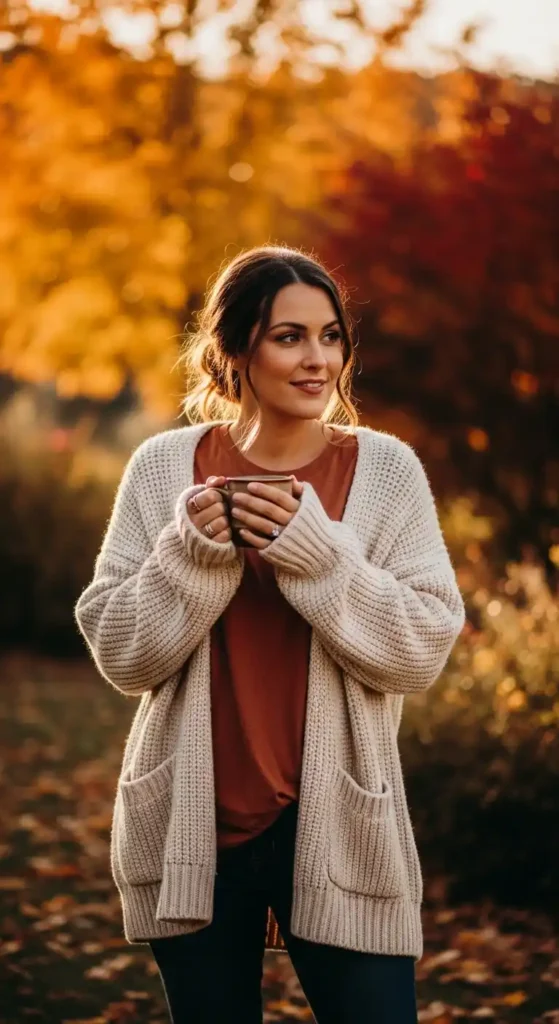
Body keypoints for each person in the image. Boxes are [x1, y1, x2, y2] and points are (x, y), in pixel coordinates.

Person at [75, 244, 466, 1024]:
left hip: (340, 819)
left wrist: (317, 554)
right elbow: (121, 654)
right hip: (193, 822)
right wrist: (188, 554)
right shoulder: (162, 469)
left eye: (329, 337)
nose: (316, 359)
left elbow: (421, 647)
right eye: (288, 337)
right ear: (234, 351)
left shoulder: (385, 471)